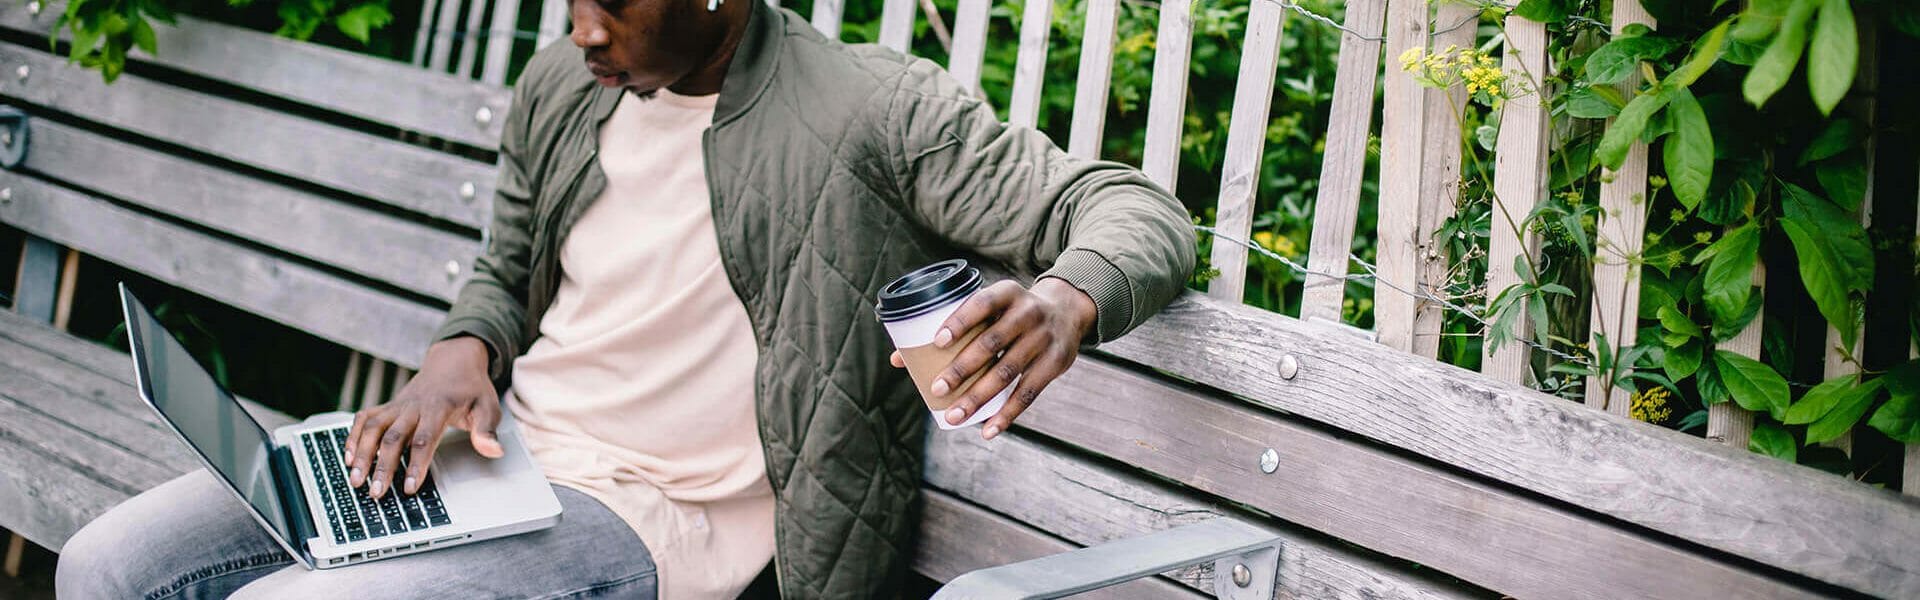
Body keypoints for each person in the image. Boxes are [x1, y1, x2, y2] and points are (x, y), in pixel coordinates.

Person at [55, 0, 1194, 595]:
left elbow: (1139, 215)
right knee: (103, 566)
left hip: (662, 521)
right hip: (502, 462)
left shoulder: (872, 111)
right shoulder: (566, 83)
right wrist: (462, 350)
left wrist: (1066, 300)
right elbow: (505, 267)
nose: (583, 26)